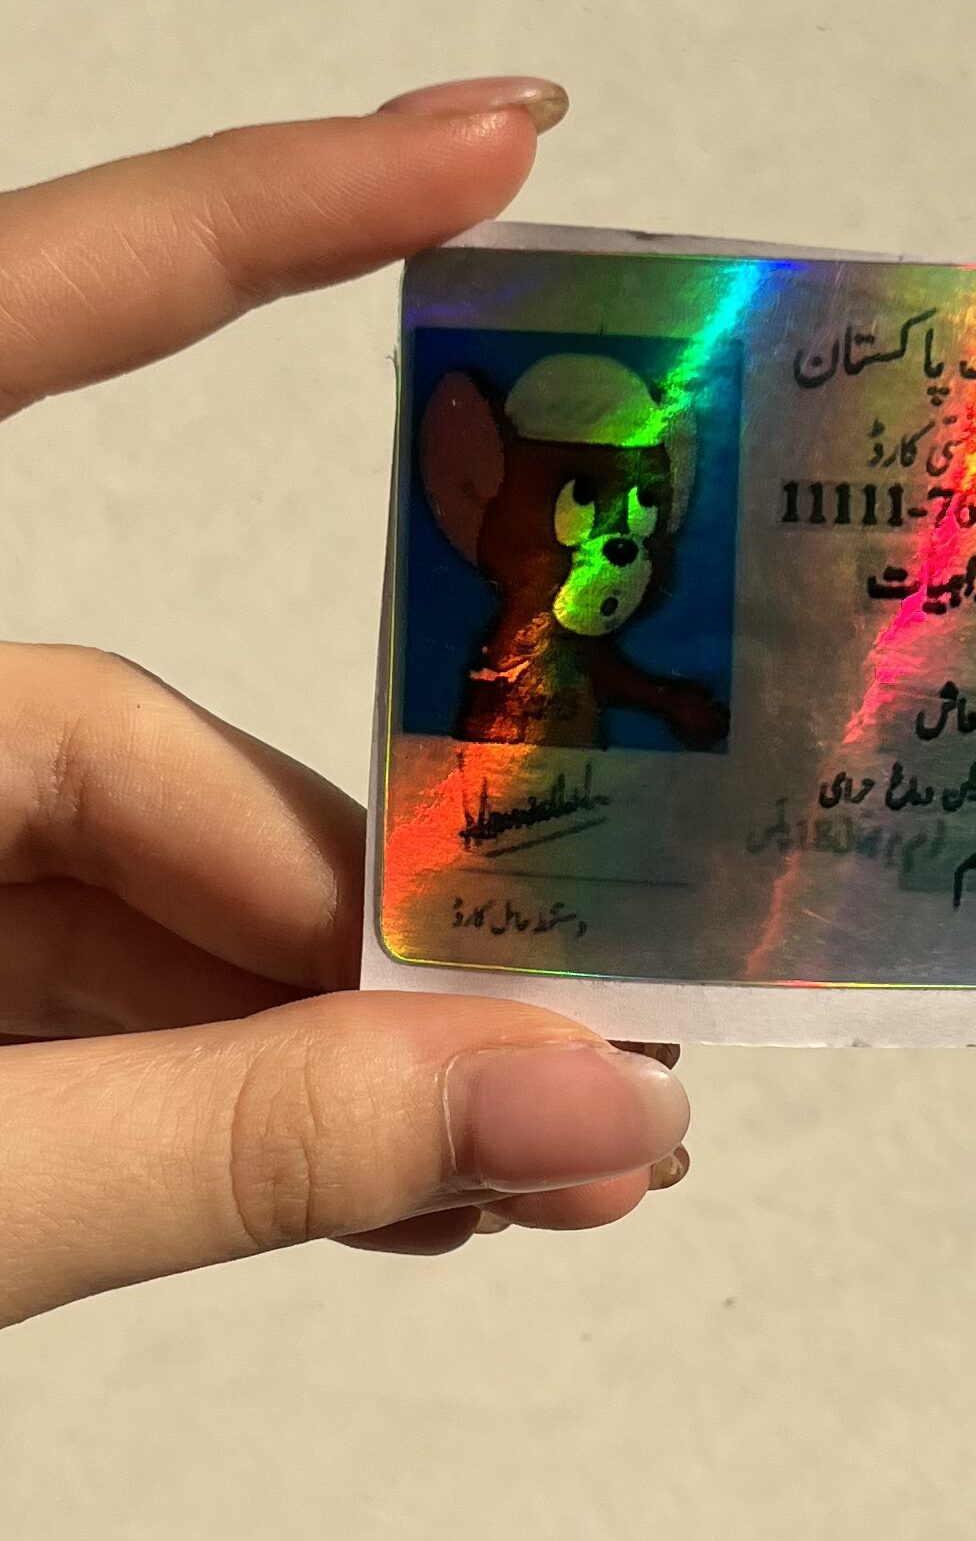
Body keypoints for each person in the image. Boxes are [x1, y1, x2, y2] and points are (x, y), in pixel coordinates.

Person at [0, 77, 693, 1329]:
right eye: (587, 503)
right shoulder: (498, 652)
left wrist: (664, 701)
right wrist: (282, 1148)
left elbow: (603, 675)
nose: (620, 540)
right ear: (479, 495)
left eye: (642, 505)